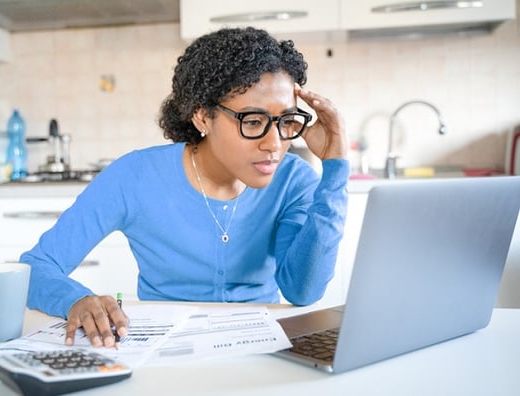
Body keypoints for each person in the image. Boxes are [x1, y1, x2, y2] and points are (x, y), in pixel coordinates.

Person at [21, 27, 349, 348]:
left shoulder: (294, 180)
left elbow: (302, 289)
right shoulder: (134, 176)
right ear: (202, 117)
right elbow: (37, 266)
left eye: (287, 120)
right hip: (162, 346)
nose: (275, 144)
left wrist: (334, 167)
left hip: (260, 346)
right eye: (253, 121)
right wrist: (75, 299)